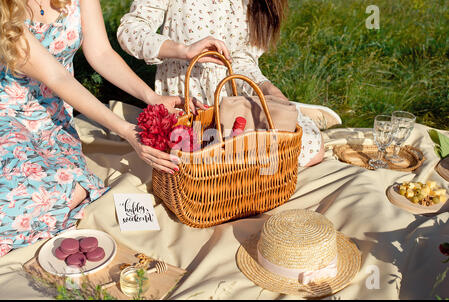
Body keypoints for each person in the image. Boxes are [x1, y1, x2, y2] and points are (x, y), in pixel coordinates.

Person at [0, 0, 221, 256]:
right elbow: (56, 76)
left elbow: (101, 53)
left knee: (69, 191)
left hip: (53, 123)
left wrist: (153, 98)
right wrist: (127, 131)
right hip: (7, 116)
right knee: (19, 201)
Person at [117, 0, 339, 167]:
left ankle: (288, 108)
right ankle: (294, 110)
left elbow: (240, 60)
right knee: (207, 168)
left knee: (311, 150)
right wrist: (183, 50)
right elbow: (129, 30)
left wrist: (267, 88)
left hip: (234, 103)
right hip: (190, 104)